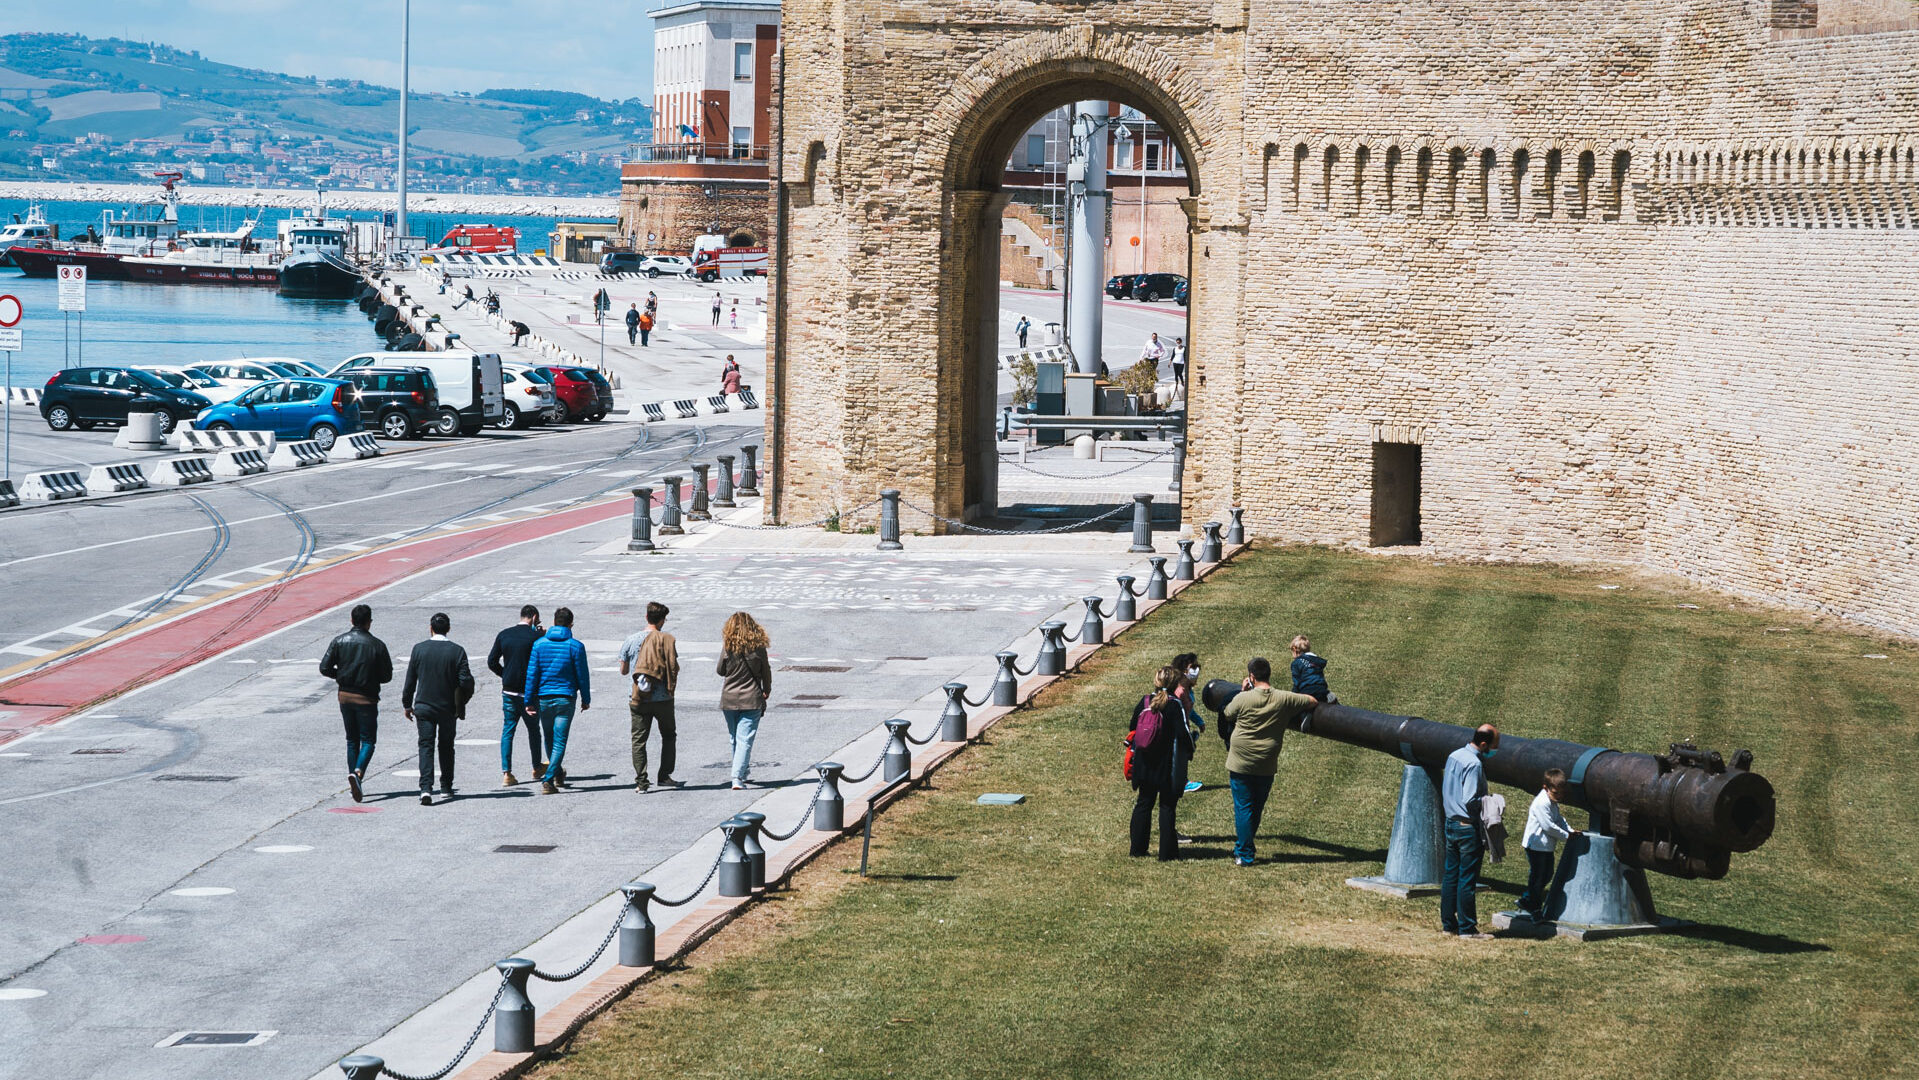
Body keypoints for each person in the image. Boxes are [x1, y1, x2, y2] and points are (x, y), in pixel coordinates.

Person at [1221, 657, 1317, 866]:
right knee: (1256, 807)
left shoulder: (1242, 698)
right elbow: (1311, 700)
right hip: (1266, 761)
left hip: (1240, 760)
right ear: (1269, 675)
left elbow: (1228, 713)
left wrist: (1242, 690)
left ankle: (1245, 853)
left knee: (1244, 807)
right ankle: (1244, 847)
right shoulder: (1284, 698)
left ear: (1252, 677)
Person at [319, 603, 393, 803]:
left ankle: (354, 780)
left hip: (345, 695)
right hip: (367, 698)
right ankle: (358, 774)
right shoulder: (377, 645)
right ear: (369, 622)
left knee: (352, 740)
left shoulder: (340, 640)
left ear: (351, 621)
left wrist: (341, 675)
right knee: (368, 740)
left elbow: (324, 667)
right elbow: (387, 676)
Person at [402, 612, 475, 806]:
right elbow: (466, 680)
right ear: (448, 629)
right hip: (447, 707)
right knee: (446, 746)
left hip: (424, 706)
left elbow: (410, 680)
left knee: (426, 746)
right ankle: (446, 786)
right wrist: (461, 701)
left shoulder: (419, 649)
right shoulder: (457, 651)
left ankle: (425, 788)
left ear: (431, 628)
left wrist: (407, 704)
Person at [1129, 666, 1195, 860]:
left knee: (1144, 803)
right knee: (1167, 806)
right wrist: (1191, 749)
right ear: (1175, 684)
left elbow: (1133, 726)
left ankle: (1137, 848)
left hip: (1143, 761)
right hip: (1166, 764)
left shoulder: (1145, 701)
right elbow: (1183, 734)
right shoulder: (1174, 705)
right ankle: (1167, 852)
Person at [525, 606, 592, 795]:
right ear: (571, 624)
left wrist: (529, 700)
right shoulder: (575, 646)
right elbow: (582, 675)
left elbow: (532, 675)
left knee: (549, 737)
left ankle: (556, 773)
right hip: (565, 697)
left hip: (544, 697)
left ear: (554, 622)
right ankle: (549, 778)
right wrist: (585, 699)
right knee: (560, 740)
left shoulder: (539, 644)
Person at [1442, 724, 1500, 939]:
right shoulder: (1474, 764)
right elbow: (1470, 799)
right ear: (1483, 744)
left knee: (1450, 876)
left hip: (1451, 823)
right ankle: (1467, 928)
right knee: (1467, 879)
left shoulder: (1454, 755)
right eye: (1494, 746)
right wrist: (1490, 801)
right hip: (1467, 827)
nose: (1495, 750)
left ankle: (1449, 923)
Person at [619, 601, 682, 791]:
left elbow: (623, 670)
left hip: (638, 697)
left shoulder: (631, 639)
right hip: (663, 698)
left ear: (646, 617)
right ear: (662, 620)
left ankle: (642, 781)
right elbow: (673, 666)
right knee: (669, 736)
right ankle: (664, 775)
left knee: (639, 740)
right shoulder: (667, 640)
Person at [487, 605, 546, 786]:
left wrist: (504, 674)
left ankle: (507, 773)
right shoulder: (536, 637)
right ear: (534, 617)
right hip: (529, 691)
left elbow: (491, 661)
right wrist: (541, 633)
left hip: (509, 689)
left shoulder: (504, 634)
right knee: (534, 730)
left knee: (508, 730)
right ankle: (536, 767)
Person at [716, 612, 773, 790]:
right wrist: (767, 689)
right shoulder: (759, 647)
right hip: (752, 698)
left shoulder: (728, 647)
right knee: (745, 739)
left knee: (735, 738)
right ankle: (737, 777)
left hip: (729, 698)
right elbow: (766, 672)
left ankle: (742, 770)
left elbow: (720, 670)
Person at [1519, 767, 1577, 920]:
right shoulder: (1541, 803)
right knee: (1537, 878)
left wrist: (1570, 830)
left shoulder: (1552, 802)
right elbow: (1548, 826)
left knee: (1546, 875)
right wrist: (1567, 836)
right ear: (1546, 788)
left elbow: (1558, 819)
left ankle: (1527, 899)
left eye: (1561, 793)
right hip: (1536, 846)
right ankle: (1535, 909)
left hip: (1546, 847)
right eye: (1555, 792)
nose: (1559, 796)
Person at [1289, 635, 1332, 703]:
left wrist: (1293, 696)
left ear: (1294, 649)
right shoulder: (1317, 661)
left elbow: (1297, 682)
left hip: (1307, 691)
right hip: (1322, 689)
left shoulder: (1296, 663)